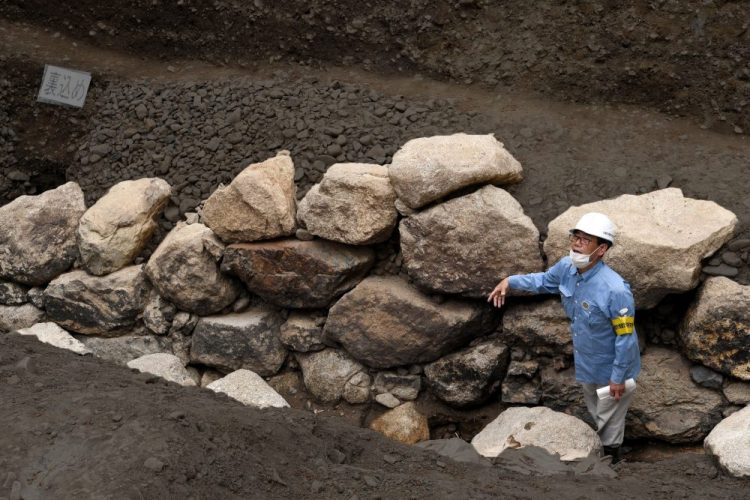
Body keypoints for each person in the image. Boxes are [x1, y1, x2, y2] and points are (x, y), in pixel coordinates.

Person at [488, 212, 640, 463]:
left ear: (601, 249)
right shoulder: (567, 268)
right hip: (587, 361)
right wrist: (510, 281)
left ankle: (611, 459)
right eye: (576, 237)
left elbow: (625, 338)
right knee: (597, 409)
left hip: (612, 366)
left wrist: (618, 377)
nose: (577, 243)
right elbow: (543, 281)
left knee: (609, 419)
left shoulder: (615, 290)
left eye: (585, 240)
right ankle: (604, 452)